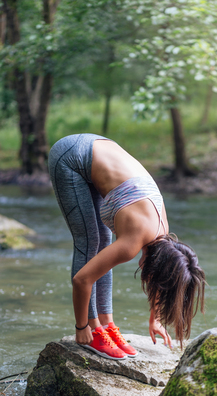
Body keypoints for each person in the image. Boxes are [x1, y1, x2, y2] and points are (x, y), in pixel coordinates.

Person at [48, 134, 205, 360]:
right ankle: (94, 330)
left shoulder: (164, 237)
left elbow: (165, 276)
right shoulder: (135, 239)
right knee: (90, 243)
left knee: (104, 248)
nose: (144, 273)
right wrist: (81, 327)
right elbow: (81, 279)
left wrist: (156, 318)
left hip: (98, 148)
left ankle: (108, 324)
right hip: (71, 157)